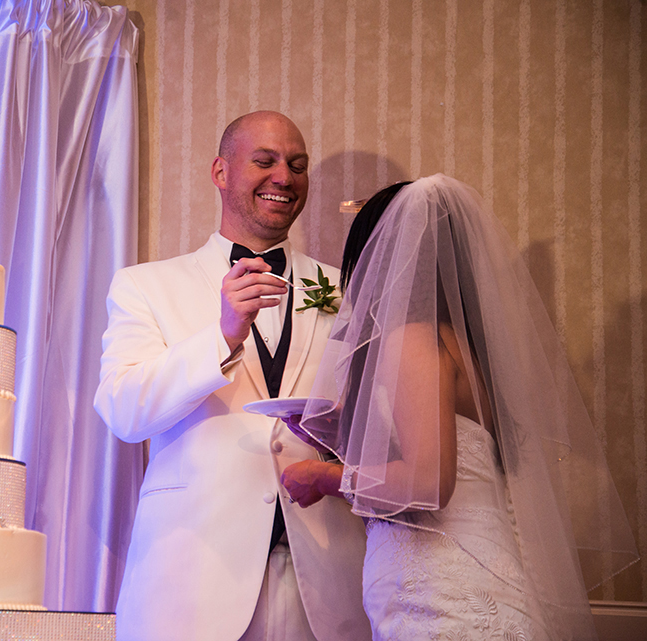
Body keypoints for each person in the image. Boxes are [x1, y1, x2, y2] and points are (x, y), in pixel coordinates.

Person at [281, 174, 638, 640]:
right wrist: (334, 434)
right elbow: (444, 459)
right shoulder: (464, 346)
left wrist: (323, 477)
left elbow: (428, 484)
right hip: (475, 580)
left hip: (440, 597)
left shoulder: (410, 338)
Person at [94, 111, 370, 641]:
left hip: (326, 578)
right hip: (194, 578)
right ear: (220, 172)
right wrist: (220, 337)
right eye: (263, 161)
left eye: (297, 165)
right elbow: (124, 412)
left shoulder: (346, 289)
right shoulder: (145, 285)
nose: (283, 178)